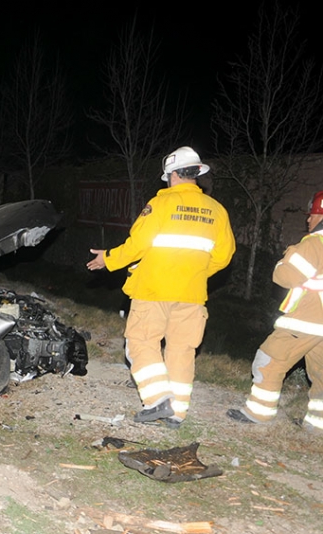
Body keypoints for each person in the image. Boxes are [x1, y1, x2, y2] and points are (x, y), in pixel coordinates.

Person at [87, 146, 236, 428]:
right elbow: (224, 256)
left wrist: (108, 259)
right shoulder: (217, 211)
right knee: (181, 350)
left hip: (153, 290)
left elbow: (138, 244)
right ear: (196, 174)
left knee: (141, 342)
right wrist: (195, 273)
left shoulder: (161, 204)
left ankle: (157, 400)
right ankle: (177, 413)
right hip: (192, 294)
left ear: (174, 174)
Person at [227, 191, 323, 434]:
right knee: (321, 375)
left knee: (268, 361)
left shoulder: (313, 244)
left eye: (311, 215)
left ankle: (259, 412)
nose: (308, 220)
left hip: (306, 322)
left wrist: (283, 259)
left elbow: (284, 276)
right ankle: (317, 425)